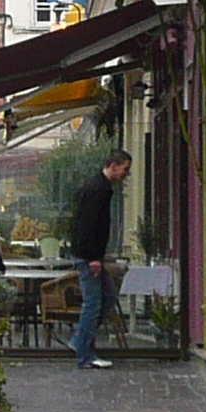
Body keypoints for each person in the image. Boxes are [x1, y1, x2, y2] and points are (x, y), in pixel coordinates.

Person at [69, 149, 132, 368]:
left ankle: (80, 342)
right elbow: (89, 226)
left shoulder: (98, 187)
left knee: (106, 297)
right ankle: (84, 354)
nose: (127, 174)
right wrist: (93, 257)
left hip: (89, 255)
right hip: (89, 256)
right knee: (94, 303)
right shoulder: (98, 190)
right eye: (125, 169)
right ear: (113, 166)